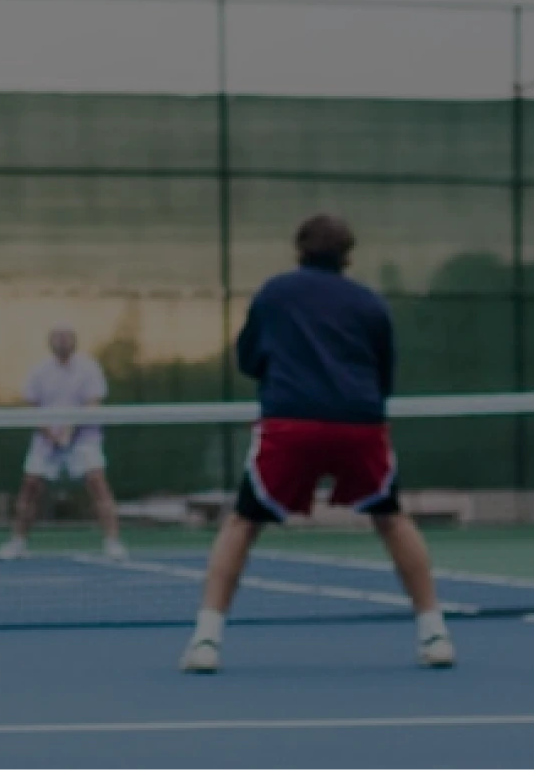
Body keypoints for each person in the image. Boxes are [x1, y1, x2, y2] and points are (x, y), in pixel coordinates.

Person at [180, 214, 453, 674]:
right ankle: (435, 634)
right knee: (391, 519)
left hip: (291, 424)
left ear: (299, 249)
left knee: (243, 523)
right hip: (359, 423)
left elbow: (249, 359)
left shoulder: (273, 294)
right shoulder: (370, 303)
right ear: (348, 255)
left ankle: (205, 640)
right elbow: (383, 374)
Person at [0, 325, 126, 562]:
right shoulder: (39, 370)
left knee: (97, 483)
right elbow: (33, 407)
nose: (62, 341)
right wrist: (52, 434)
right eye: (58, 337)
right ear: (50, 342)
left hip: (84, 438)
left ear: (74, 341)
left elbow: (92, 403)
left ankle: (112, 542)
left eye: (67, 337)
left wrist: (69, 430)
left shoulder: (89, 368)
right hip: (46, 440)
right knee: (30, 486)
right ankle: (18, 542)